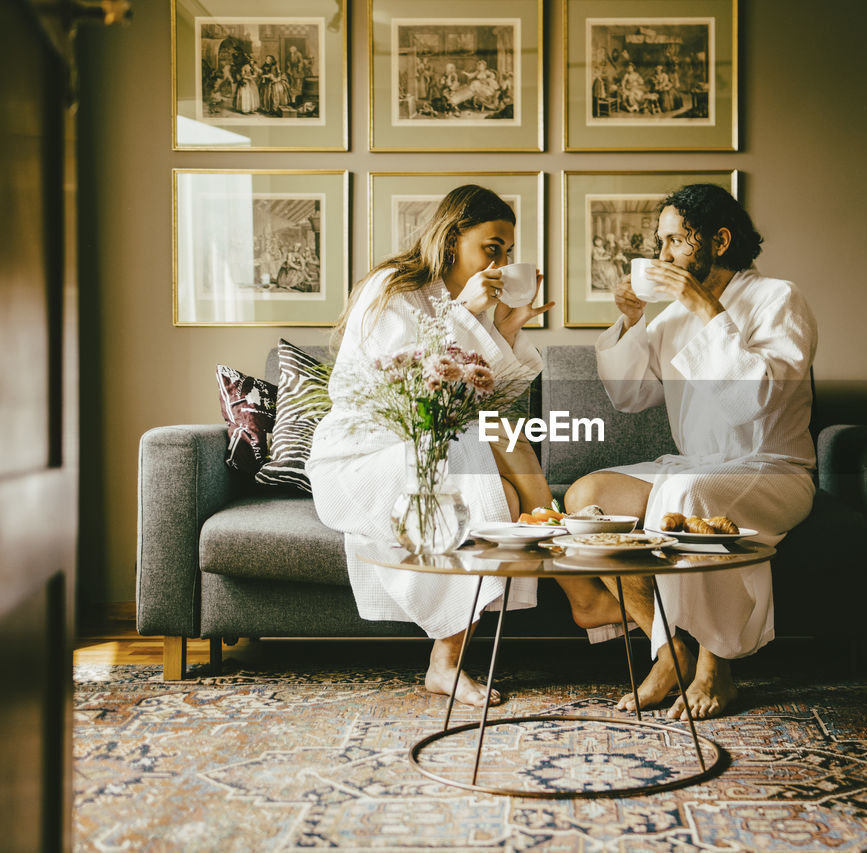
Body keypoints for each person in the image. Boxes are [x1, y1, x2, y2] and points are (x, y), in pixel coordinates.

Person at [306, 186, 619, 707]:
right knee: (494, 432)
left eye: (508, 253)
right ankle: (581, 594)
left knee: (507, 492)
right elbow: (403, 388)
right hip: (367, 456)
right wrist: (466, 320)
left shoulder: (472, 305)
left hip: (434, 446)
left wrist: (505, 329)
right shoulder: (393, 287)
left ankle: (445, 664)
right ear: (452, 241)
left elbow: (483, 395)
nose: (501, 262)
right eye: (491, 248)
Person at [566, 184, 818, 720]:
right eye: (659, 244)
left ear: (719, 240)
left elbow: (754, 399)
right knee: (587, 497)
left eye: (674, 241)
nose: (661, 257)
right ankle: (668, 652)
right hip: (697, 468)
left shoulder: (779, 299)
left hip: (771, 468)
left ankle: (714, 668)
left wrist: (707, 309)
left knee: (688, 491)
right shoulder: (672, 316)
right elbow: (630, 396)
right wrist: (633, 321)